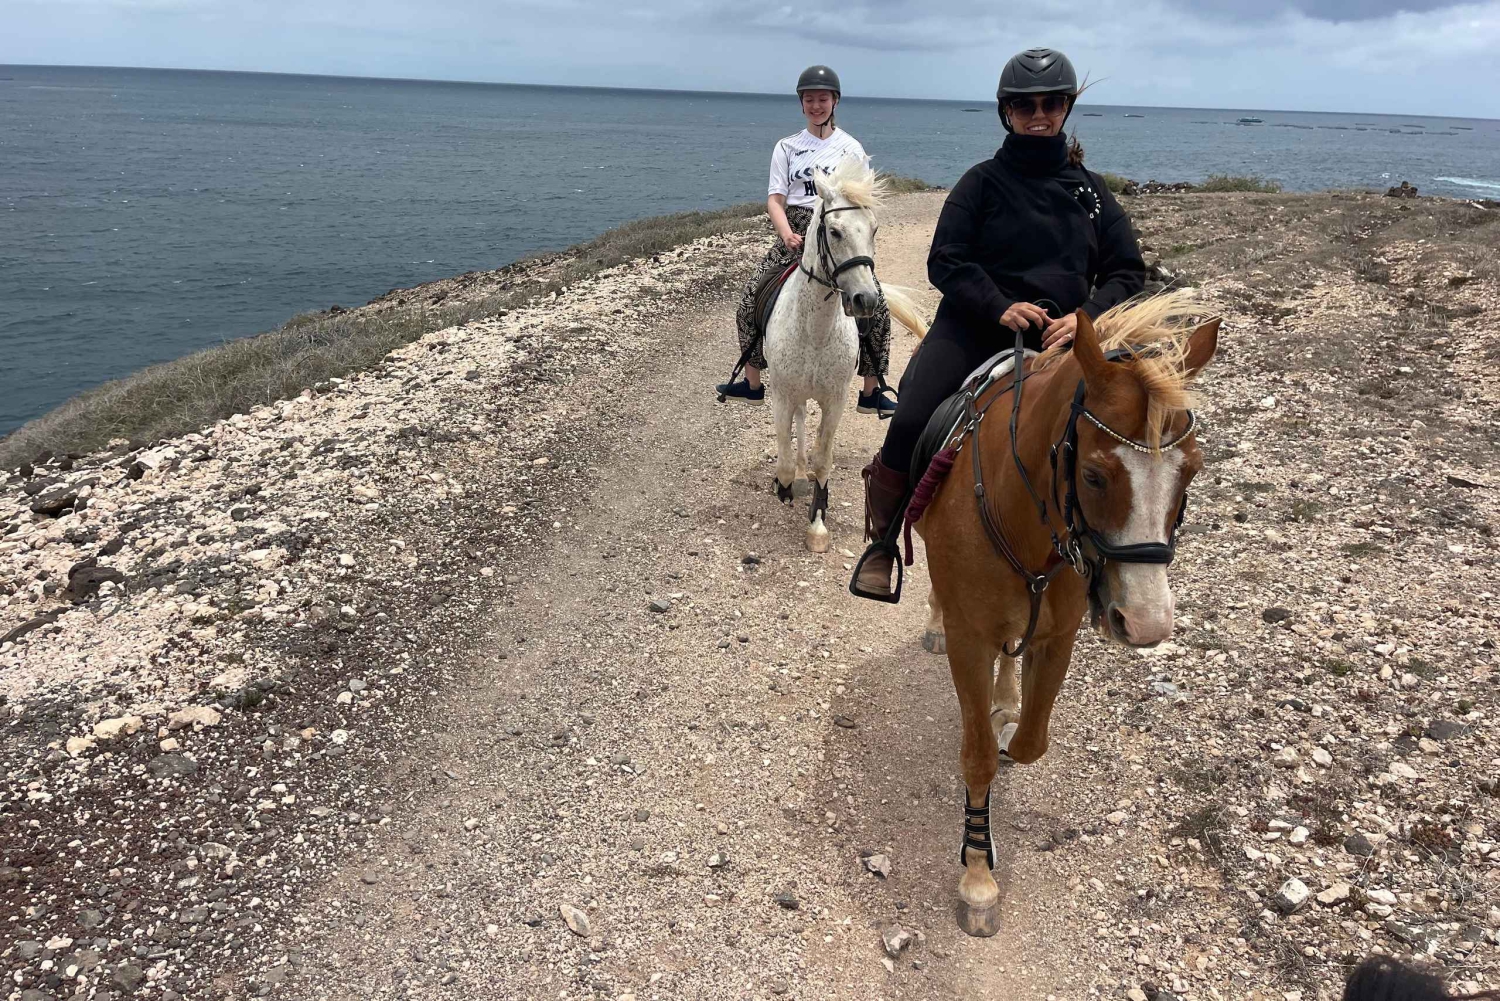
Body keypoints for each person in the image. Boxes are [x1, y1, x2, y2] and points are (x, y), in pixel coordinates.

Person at [852, 46, 1147, 598]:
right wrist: (998, 304)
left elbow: (1128, 271)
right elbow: (946, 259)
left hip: (1064, 340)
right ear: (1006, 112)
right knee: (912, 414)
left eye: (1051, 104)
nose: (1038, 115)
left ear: (1065, 108)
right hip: (976, 327)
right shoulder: (981, 182)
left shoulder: (1091, 192)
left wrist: (1085, 318)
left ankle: (1120, 554)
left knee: (1132, 425)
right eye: (1024, 105)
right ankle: (884, 541)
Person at [716, 65, 895, 418]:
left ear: (835, 101)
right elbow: (775, 200)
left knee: (878, 307)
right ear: (801, 103)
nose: (816, 105)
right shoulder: (787, 147)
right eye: (809, 99)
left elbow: (861, 204)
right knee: (749, 300)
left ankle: (872, 390)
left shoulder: (852, 149)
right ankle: (751, 382)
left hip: (836, 231)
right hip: (797, 229)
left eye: (822, 99)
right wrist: (785, 233)